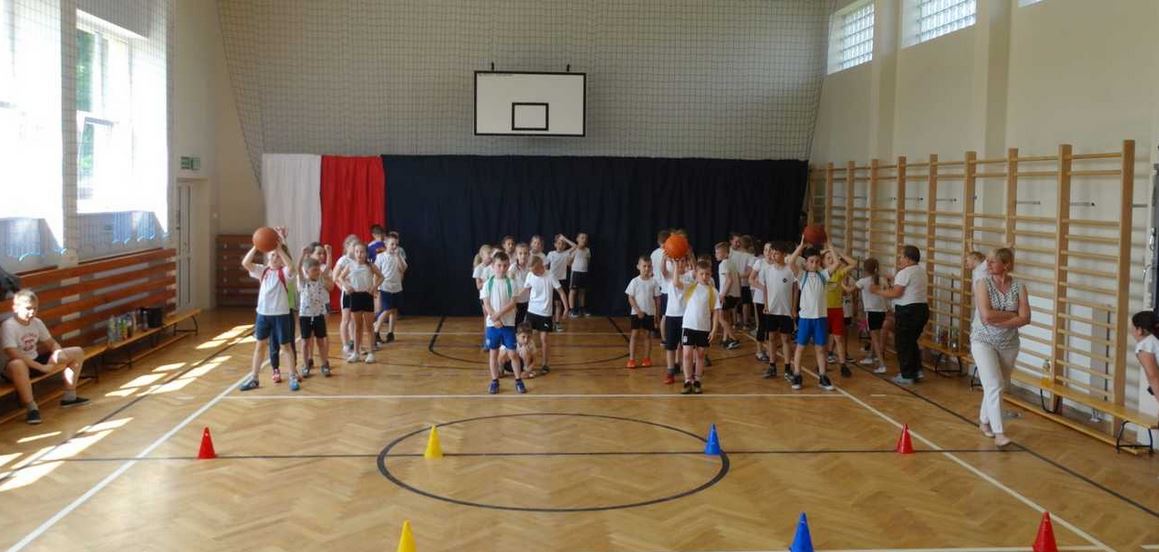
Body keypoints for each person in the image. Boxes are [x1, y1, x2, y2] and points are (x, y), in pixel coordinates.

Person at [971, 248, 1030, 448]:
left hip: (1009, 343)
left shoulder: (1019, 286)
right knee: (994, 385)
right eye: (987, 261)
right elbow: (986, 315)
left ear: (1006, 264)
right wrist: (1012, 315)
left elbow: (1026, 317)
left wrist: (1003, 319)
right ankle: (999, 433)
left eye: (993, 261)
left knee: (997, 385)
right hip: (983, 340)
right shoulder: (983, 283)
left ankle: (984, 421)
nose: (988, 264)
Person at [1, 290, 90, 424]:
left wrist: (57, 353)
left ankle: (70, 397)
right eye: (28, 308)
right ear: (15, 308)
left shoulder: (37, 322)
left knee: (77, 352)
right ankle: (32, 408)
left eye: (35, 308)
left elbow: (51, 343)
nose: (32, 312)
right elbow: (12, 352)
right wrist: (41, 367)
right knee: (17, 364)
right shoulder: (8, 325)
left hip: (36, 360)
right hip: (16, 367)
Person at [240, 232, 301, 391]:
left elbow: (292, 267)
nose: (275, 258)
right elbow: (246, 263)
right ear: (267, 256)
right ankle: (254, 378)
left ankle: (293, 376)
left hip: (280, 315)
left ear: (282, 259)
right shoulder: (263, 271)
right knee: (260, 346)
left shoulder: (285, 273)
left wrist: (279, 248)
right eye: (272, 255)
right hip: (263, 314)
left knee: (286, 346)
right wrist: (256, 245)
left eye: (278, 256)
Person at [873, 245, 929, 385]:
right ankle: (916, 370)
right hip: (922, 309)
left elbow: (896, 293)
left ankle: (907, 375)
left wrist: (877, 291)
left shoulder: (904, 273)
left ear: (908, 259)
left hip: (908, 312)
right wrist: (893, 281)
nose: (899, 259)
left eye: (902, 256)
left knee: (903, 343)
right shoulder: (921, 271)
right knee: (911, 341)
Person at [787, 237, 835, 391]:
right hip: (806, 319)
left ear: (820, 263)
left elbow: (836, 263)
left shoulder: (823, 276)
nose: (814, 264)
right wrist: (801, 246)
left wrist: (830, 246)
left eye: (817, 261)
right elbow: (790, 262)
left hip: (820, 318)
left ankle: (822, 376)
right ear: (806, 263)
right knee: (800, 348)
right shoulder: (802, 276)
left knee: (820, 349)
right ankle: (797, 374)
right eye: (811, 261)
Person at [673, 258, 721, 394]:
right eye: (701, 274)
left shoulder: (713, 291)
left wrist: (714, 329)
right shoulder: (690, 287)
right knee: (687, 354)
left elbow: (716, 312)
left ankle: (697, 380)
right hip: (688, 326)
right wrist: (676, 265)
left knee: (700, 355)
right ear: (696, 274)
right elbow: (676, 283)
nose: (704, 276)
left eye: (707, 274)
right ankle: (688, 380)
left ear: (711, 274)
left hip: (704, 328)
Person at [480, 251, 525, 394]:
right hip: (493, 326)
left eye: (505, 265)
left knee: (513, 354)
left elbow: (513, 303)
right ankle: (494, 381)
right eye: (499, 265)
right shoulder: (488, 284)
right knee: (493, 354)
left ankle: (518, 380)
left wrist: (498, 316)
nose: (502, 268)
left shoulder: (511, 283)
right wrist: (494, 318)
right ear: (493, 266)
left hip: (508, 325)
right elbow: (486, 303)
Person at [752, 241, 796, 379]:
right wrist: (766, 305)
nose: (773, 255)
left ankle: (787, 368)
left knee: (786, 339)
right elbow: (766, 288)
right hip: (771, 310)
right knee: (771, 337)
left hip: (786, 310)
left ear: (783, 255)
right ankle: (772, 366)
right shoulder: (767, 270)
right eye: (772, 253)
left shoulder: (790, 270)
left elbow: (795, 289)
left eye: (776, 253)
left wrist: (793, 308)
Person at [335, 242, 382, 364]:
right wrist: (346, 286)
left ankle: (371, 353)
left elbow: (381, 277)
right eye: (357, 252)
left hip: (367, 296)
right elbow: (340, 277)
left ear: (366, 253)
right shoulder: (350, 265)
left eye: (362, 252)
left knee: (369, 326)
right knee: (357, 327)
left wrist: (374, 287)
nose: (359, 254)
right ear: (354, 253)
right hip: (355, 296)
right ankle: (356, 353)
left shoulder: (370, 266)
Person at [524, 256, 571, 375]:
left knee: (544, 339)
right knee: (527, 338)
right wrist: (513, 300)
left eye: (534, 270)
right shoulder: (530, 275)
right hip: (532, 310)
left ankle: (545, 364)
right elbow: (525, 289)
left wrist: (566, 308)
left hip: (545, 313)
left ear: (540, 266)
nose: (533, 273)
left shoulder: (550, 275)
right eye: (531, 271)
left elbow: (561, 292)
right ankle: (527, 363)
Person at [297, 255, 334, 378]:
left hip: (319, 315)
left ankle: (324, 364)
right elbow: (298, 268)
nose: (317, 272)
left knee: (321, 341)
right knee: (305, 342)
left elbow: (328, 267)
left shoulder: (321, 280)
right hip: (305, 316)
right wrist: (302, 256)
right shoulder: (303, 282)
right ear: (307, 271)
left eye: (318, 269)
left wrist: (329, 253)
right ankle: (305, 365)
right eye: (314, 270)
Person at [853, 257, 889, 374]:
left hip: (872, 312)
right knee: (875, 336)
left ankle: (882, 364)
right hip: (882, 311)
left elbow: (849, 290)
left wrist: (841, 283)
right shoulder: (882, 279)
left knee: (875, 338)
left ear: (865, 269)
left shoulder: (863, 281)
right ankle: (870, 356)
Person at [661, 255, 693, 384]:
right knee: (670, 346)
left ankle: (687, 374)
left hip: (685, 317)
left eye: (682, 261)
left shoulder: (689, 277)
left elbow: (676, 282)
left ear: (686, 263)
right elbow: (663, 271)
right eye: (677, 261)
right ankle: (670, 372)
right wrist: (664, 259)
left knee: (685, 346)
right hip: (671, 316)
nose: (679, 263)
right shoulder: (670, 275)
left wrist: (674, 263)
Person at [823, 248, 855, 377]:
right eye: (828, 258)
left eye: (832, 257)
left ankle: (843, 365)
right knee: (823, 339)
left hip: (837, 310)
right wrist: (824, 251)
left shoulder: (839, 273)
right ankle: (823, 363)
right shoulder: (820, 274)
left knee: (839, 338)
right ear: (823, 261)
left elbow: (853, 263)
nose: (831, 260)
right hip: (823, 311)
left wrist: (838, 252)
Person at [625, 255, 661, 368]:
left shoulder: (654, 282)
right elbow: (630, 297)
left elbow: (657, 299)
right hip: (636, 313)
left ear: (651, 267)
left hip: (649, 313)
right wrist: (637, 310)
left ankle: (647, 358)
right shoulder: (634, 281)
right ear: (638, 267)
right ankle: (631, 359)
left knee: (647, 335)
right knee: (634, 335)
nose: (646, 268)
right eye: (644, 266)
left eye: (649, 266)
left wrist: (657, 314)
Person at [374, 234, 408, 344]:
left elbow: (403, 269)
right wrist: (375, 287)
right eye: (392, 244)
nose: (394, 246)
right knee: (387, 309)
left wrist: (398, 257)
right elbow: (376, 272)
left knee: (394, 310)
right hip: (385, 286)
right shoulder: (381, 257)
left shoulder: (398, 256)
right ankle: (375, 332)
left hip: (397, 287)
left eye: (396, 244)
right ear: (386, 244)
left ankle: (390, 333)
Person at [713, 242, 742, 350]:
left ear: (725, 253)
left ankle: (734, 339)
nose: (716, 255)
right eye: (716, 252)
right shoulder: (732, 263)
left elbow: (729, 281)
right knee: (726, 318)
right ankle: (725, 339)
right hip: (735, 294)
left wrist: (722, 295)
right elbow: (737, 278)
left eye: (718, 252)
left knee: (720, 318)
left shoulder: (723, 264)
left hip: (727, 295)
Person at [335, 234, 360, 356]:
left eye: (357, 245)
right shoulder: (343, 260)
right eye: (353, 245)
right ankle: (345, 345)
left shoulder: (357, 260)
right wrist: (344, 287)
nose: (356, 248)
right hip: (347, 294)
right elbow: (335, 277)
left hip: (357, 293)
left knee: (354, 320)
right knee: (346, 319)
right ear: (347, 246)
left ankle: (354, 343)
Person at [545, 235, 575, 330]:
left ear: (565, 246)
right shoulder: (551, 254)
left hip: (561, 281)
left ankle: (557, 323)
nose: (560, 245)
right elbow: (545, 266)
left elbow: (575, 246)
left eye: (562, 244)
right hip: (551, 280)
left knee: (558, 303)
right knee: (549, 303)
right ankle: (549, 322)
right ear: (555, 244)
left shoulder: (566, 253)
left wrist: (564, 238)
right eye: (558, 243)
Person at [1129, 311, 1159, 405]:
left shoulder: (1145, 346)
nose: (1131, 329)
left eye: (1132, 327)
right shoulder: (1152, 340)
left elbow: (1153, 377)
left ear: (1139, 330)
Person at [650, 229, 672, 338]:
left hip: (661, 284)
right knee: (659, 308)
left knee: (659, 308)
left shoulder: (655, 253)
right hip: (660, 284)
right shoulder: (660, 253)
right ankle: (657, 327)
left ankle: (657, 328)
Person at [750, 243, 769, 361]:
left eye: (770, 250)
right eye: (766, 250)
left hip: (773, 300)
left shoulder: (776, 264)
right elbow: (751, 279)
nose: (768, 252)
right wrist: (763, 288)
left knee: (771, 327)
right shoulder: (760, 263)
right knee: (762, 325)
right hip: (761, 299)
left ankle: (769, 350)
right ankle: (759, 351)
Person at [568, 232, 592, 318]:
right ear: (577, 239)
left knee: (582, 291)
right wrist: (575, 268)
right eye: (582, 238)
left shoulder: (587, 250)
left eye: (585, 238)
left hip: (584, 273)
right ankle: (572, 310)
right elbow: (568, 263)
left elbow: (588, 261)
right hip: (575, 273)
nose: (584, 240)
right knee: (573, 291)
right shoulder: (574, 250)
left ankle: (581, 309)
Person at [508, 243, 532, 326]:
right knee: (514, 322)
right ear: (516, 255)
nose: (523, 256)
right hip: (515, 300)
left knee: (522, 322)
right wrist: (513, 301)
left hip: (526, 299)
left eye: (525, 253)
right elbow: (509, 285)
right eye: (520, 253)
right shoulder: (513, 268)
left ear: (529, 254)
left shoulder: (530, 267)